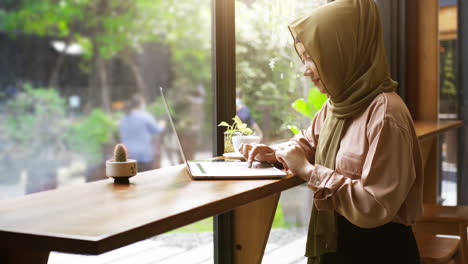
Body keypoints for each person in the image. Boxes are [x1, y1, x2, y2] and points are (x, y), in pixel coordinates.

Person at [239, 1, 423, 263]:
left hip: (377, 251)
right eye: (303, 59)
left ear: (342, 52)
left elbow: (374, 205)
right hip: (340, 242)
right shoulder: (338, 104)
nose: (305, 71)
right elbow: (310, 141)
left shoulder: (385, 115)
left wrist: (308, 171)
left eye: (312, 58)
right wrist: (277, 153)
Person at [119, 94, 164, 172]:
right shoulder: (145, 117)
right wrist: (162, 124)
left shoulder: (123, 118)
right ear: (141, 104)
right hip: (143, 156)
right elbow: (156, 130)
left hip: (128, 156)